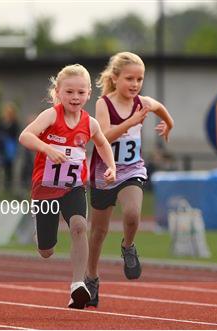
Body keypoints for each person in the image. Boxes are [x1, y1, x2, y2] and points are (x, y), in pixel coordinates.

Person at [19, 64, 116, 309]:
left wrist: (111, 166)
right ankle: (41, 235)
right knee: (46, 251)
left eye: (81, 92)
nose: (75, 97)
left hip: (73, 187)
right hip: (46, 188)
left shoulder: (90, 123)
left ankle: (77, 286)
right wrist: (48, 149)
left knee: (80, 225)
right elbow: (25, 136)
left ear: (88, 95)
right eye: (70, 92)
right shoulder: (51, 116)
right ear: (58, 93)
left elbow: (103, 144)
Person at [85, 52, 174, 308]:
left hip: (132, 169)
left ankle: (128, 245)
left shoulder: (142, 102)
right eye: (129, 79)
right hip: (105, 172)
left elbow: (159, 107)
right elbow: (104, 136)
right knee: (99, 232)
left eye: (140, 79)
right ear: (115, 78)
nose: (135, 84)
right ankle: (91, 276)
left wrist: (169, 123)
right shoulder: (104, 104)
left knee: (133, 213)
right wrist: (131, 122)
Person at [0, 102, 20, 192]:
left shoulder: (14, 123)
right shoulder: (1, 122)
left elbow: (15, 135)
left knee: (9, 168)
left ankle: (8, 187)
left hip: (9, 149)